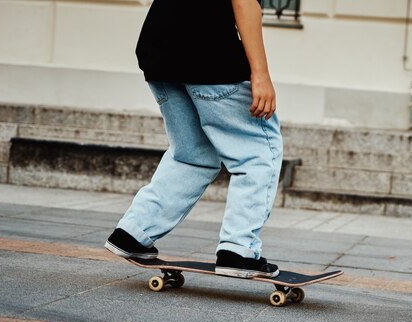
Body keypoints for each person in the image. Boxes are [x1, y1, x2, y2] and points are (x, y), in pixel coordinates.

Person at [104, 0, 283, 279]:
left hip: (159, 51)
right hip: (209, 55)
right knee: (258, 154)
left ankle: (134, 232)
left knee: (192, 155)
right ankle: (239, 250)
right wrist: (260, 74)